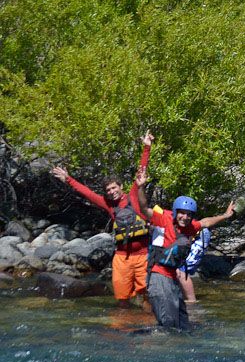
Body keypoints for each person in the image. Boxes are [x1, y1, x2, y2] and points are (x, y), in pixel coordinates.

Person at [50, 131, 154, 308]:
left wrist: (147, 147)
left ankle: (147, 322)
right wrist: (68, 179)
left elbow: (141, 171)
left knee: (146, 296)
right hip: (121, 257)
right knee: (122, 298)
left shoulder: (133, 196)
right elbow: (87, 193)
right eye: (108, 190)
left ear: (121, 187)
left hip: (142, 256)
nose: (112, 192)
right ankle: (125, 322)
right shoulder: (108, 204)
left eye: (114, 188)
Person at [135, 170, 235, 330]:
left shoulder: (190, 226)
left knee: (183, 324)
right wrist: (140, 187)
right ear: (176, 212)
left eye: (189, 214)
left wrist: (225, 215)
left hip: (172, 277)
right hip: (158, 276)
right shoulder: (164, 219)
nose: (185, 217)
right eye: (181, 213)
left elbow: (206, 222)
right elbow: (144, 208)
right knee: (168, 323)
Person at [177, 228, 211, 303]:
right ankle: (184, 298)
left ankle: (191, 301)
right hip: (190, 236)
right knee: (178, 269)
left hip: (197, 236)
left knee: (181, 270)